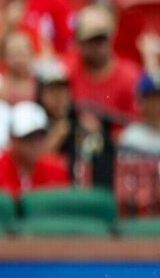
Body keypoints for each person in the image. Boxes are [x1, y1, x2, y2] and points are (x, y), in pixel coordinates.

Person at [36, 59, 115, 188]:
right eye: (52, 91)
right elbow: (34, 165)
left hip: (80, 189)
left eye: (62, 90)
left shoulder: (81, 122)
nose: (58, 96)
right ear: (40, 95)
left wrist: (97, 134)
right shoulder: (35, 123)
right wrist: (57, 135)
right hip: (47, 192)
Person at [65, 5, 140, 124]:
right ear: (80, 43)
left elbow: (136, 123)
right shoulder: (68, 70)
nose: (98, 47)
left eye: (102, 39)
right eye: (91, 41)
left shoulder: (130, 77)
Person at [0, 101, 70, 199]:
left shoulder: (57, 172)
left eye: (40, 136)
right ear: (12, 138)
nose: (36, 144)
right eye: (28, 137)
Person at [0, 31, 38, 105]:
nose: (18, 60)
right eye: (13, 55)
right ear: (4, 57)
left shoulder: (41, 84)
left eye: (22, 53)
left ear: (31, 54)